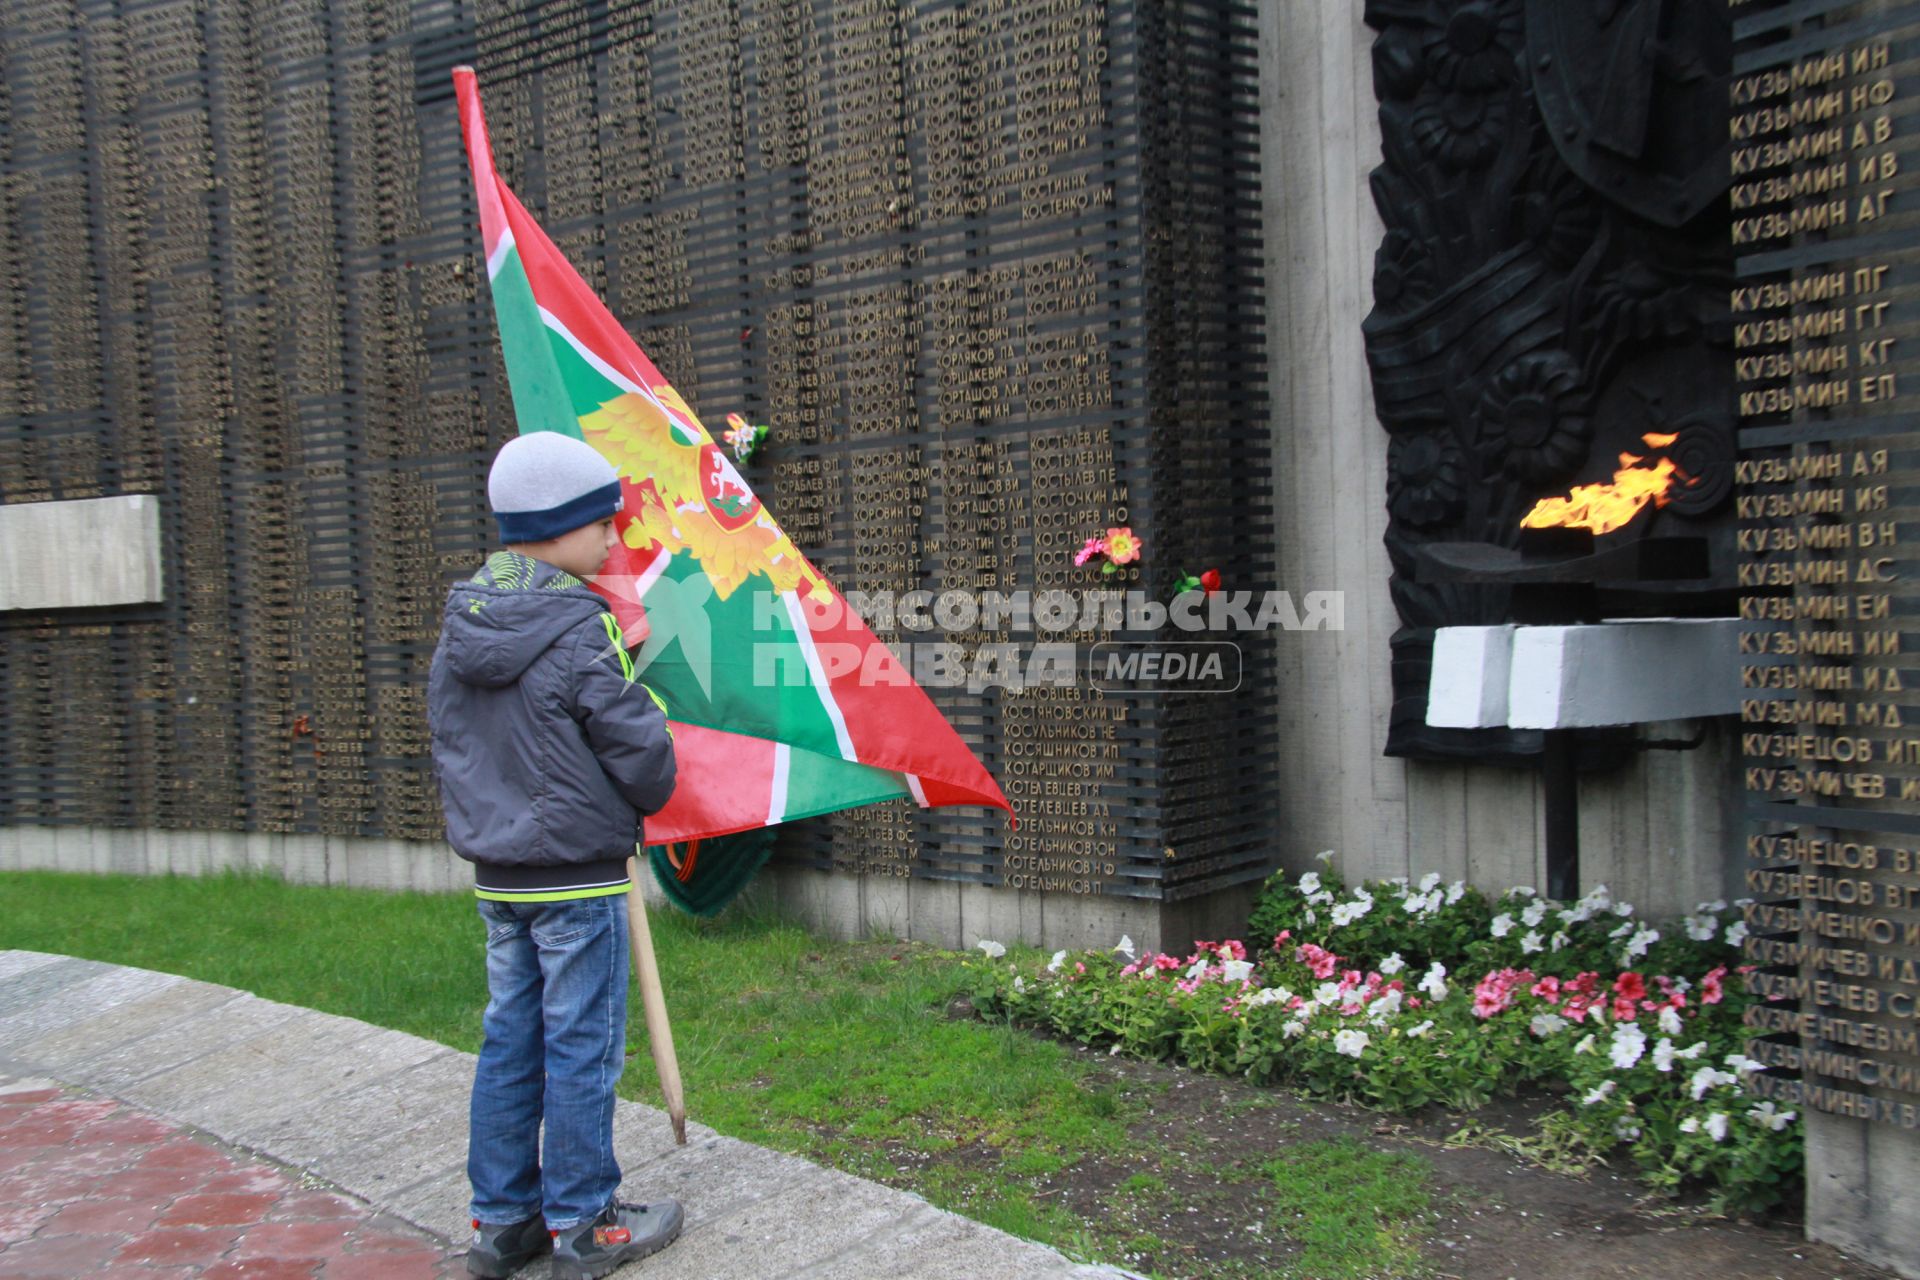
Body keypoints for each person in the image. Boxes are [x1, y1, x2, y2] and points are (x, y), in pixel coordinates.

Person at [428, 430, 682, 1280]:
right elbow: (641, 759)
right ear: (562, 527)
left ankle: (502, 1224)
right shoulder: (581, 627)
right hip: (577, 876)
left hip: (499, 878)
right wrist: (649, 713)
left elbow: (457, 743)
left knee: (511, 1038)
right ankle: (585, 1222)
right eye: (602, 523)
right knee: (581, 1043)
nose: (613, 539)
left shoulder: (461, 623)